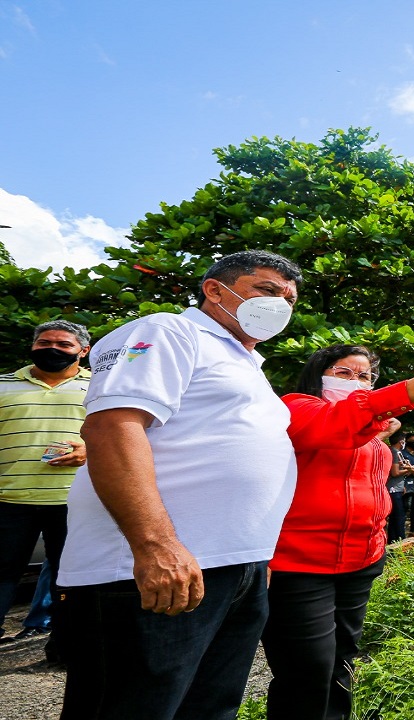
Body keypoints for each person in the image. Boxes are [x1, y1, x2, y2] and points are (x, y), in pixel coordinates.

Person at [58, 250, 303, 720]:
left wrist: (254, 556)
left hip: (234, 566)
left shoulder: (247, 362)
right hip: (155, 565)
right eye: (267, 291)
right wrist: (156, 545)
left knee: (209, 706)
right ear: (215, 289)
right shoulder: (169, 331)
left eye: (289, 299)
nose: (280, 305)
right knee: (137, 705)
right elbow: (113, 428)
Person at [263, 342, 414, 720]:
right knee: (307, 668)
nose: (357, 381)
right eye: (345, 373)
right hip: (300, 562)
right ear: (319, 375)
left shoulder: (369, 433)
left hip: (361, 561)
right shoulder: (297, 407)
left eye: (366, 376)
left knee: (342, 660)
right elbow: (341, 423)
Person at [0, 319, 91, 660]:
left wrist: (90, 450)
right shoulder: (3, 385)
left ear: (84, 351)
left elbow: (124, 436)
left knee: (71, 580)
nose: (51, 349)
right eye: (44, 342)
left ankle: (65, 650)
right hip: (9, 499)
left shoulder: (101, 386)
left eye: (63, 345)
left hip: (76, 500)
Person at [385, 430, 411, 543]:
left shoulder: (390, 450)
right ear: (401, 441)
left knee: (394, 518)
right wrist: (409, 469)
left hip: (395, 488)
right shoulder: (395, 452)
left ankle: (392, 540)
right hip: (393, 489)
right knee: (399, 518)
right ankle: (400, 541)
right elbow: (395, 472)